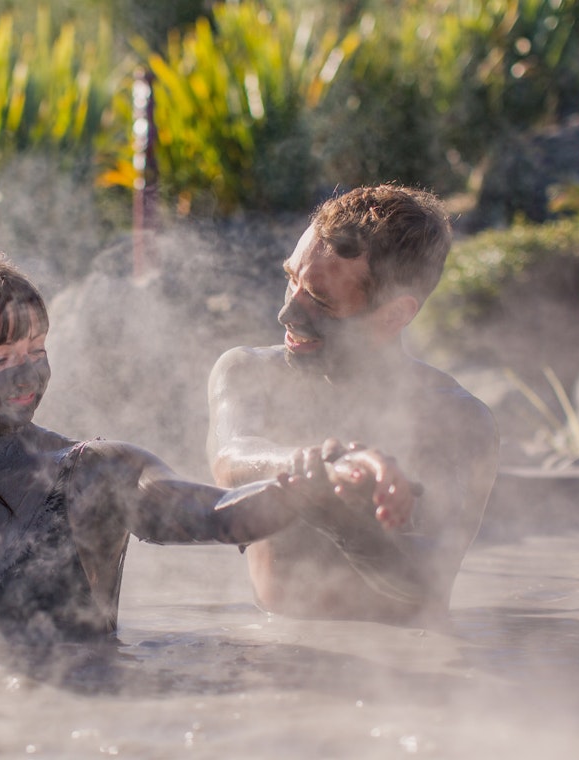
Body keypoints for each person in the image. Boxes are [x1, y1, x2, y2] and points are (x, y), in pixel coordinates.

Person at [0, 253, 416, 641]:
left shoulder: (89, 471)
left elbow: (221, 516)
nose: (29, 373)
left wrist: (308, 480)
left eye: (36, 349)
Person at [207, 184, 500, 626]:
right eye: (292, 280)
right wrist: (321, 468)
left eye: (321, 300)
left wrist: (347, 523)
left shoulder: (455, 419)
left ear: (396, 314)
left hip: (406, 670)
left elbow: (426, 581)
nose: (288, 315)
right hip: (274, 649)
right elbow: (232, 457)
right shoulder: (248, 372)